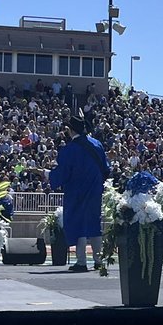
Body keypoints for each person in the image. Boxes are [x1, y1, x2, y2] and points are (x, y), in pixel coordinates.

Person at [48, 114, 110, 271]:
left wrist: (45, 173)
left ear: (70, 130)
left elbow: (62, 174)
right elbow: (106, 168)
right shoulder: (97, 145)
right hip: (94, 190)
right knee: (95, 223)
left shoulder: (69, 150)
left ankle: (81, 261)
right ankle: (98, 259)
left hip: (76, 192)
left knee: (78, 224)